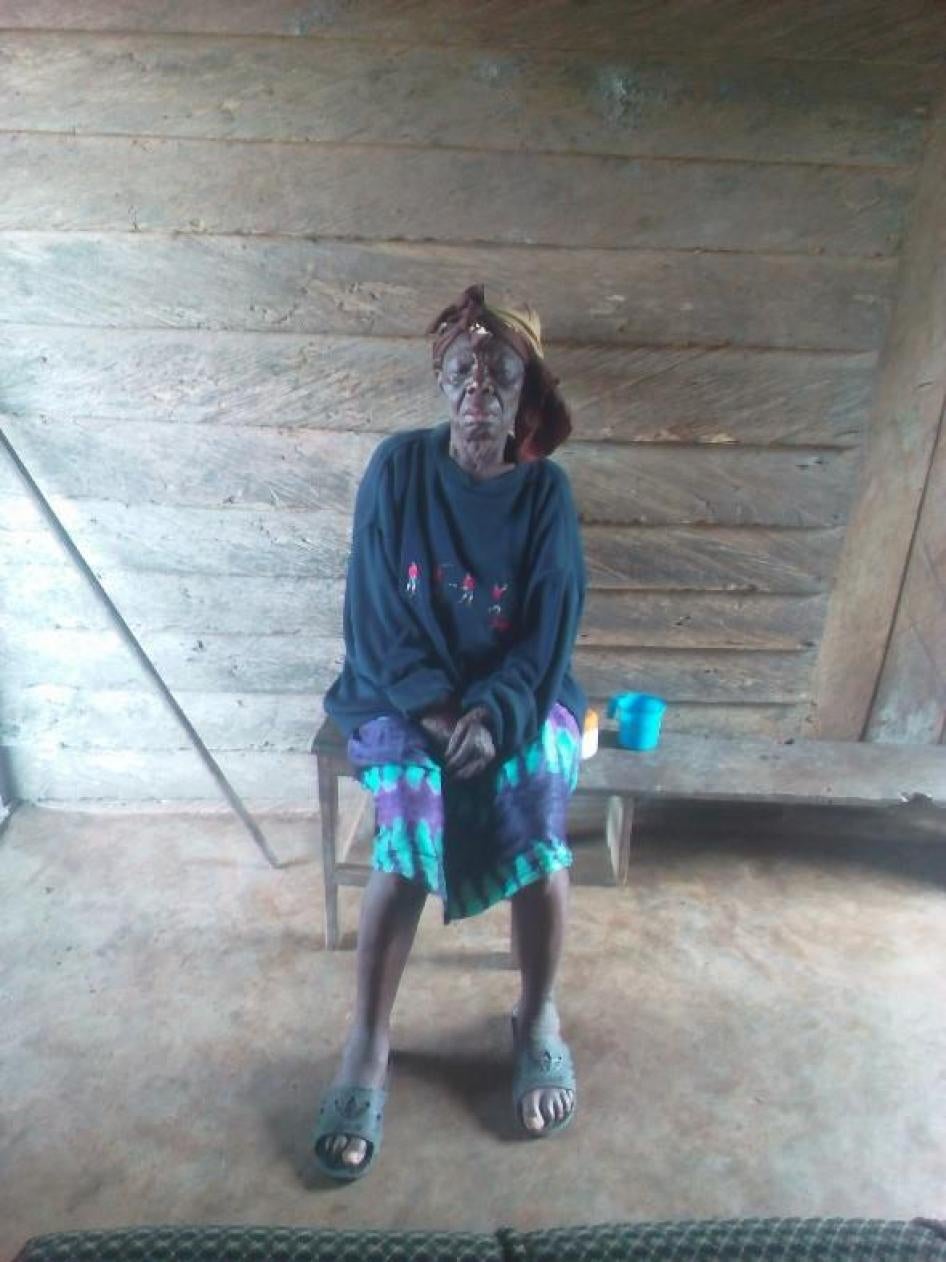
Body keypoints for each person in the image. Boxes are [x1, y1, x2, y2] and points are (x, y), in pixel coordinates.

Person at [312, 281, 588, 1180]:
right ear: (441, 382)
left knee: (540, 805)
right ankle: (367, 1039)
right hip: (402, 689)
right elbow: (372, 616)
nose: (478, 389)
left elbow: (550, 630)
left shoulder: (546, 497)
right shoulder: (397, 468)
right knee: (407, 820)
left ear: (527, 394)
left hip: (516, 690)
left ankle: (539, 1013)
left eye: (499, 372)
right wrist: (435, 709)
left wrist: (499, 713)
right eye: (462, 370)